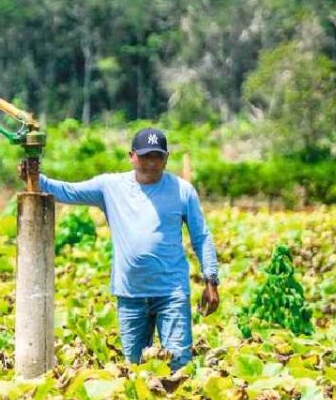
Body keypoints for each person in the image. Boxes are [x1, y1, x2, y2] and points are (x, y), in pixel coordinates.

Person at [22, 127, 219, 372]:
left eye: (157, 157)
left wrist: (211, 280)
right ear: (132, 156)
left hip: (171, 292)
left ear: (166, 158)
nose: (151, 163)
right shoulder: (110, 186)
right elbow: (66, 191)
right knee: (133, 368)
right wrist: (34, 175)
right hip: (130, 294)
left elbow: (201, 236)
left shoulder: (182, 190)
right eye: (145, 156)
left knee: (179, 363)